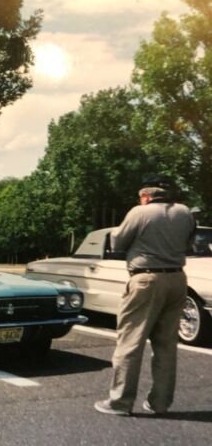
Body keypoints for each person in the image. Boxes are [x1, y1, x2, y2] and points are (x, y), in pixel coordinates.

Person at [94, 178, 195, 416]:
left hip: (146, 279)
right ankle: (160, 403)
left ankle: (120, 402)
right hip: (177, 279)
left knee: (130, 342)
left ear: (146, 196)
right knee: (166, 345)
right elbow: (189, 242)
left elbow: (118, 242)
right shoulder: (185, 212)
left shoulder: (140, 212)